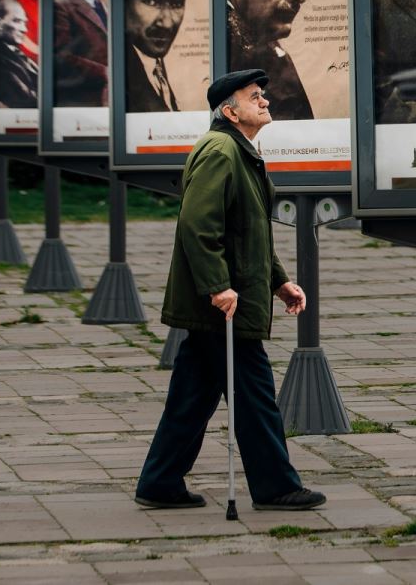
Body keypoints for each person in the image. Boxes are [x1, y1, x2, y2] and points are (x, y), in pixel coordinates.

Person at [135, 68, 326, 513]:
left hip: (228, 299)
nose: (264, 101)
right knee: (255, 396)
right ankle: (276, 485)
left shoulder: (238, 150)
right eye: (254, 96)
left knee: (191, 396)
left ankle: (160, 482)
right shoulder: (221, 151)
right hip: (225, 304)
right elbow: (199, 225)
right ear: (229, 110)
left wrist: (279, 281)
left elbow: (250, 229)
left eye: (263, 94)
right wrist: (217, 287)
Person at [53, 0, 109, 107]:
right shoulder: (61, 6)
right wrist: (103, 72)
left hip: (107, 98)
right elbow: (61, 57)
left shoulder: (103, 6)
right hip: (81, 101)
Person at [0, 0, 38, 109]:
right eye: (17, 21)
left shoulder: (17, 53)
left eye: (25, 23)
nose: (24, 29)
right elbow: (26, 100)